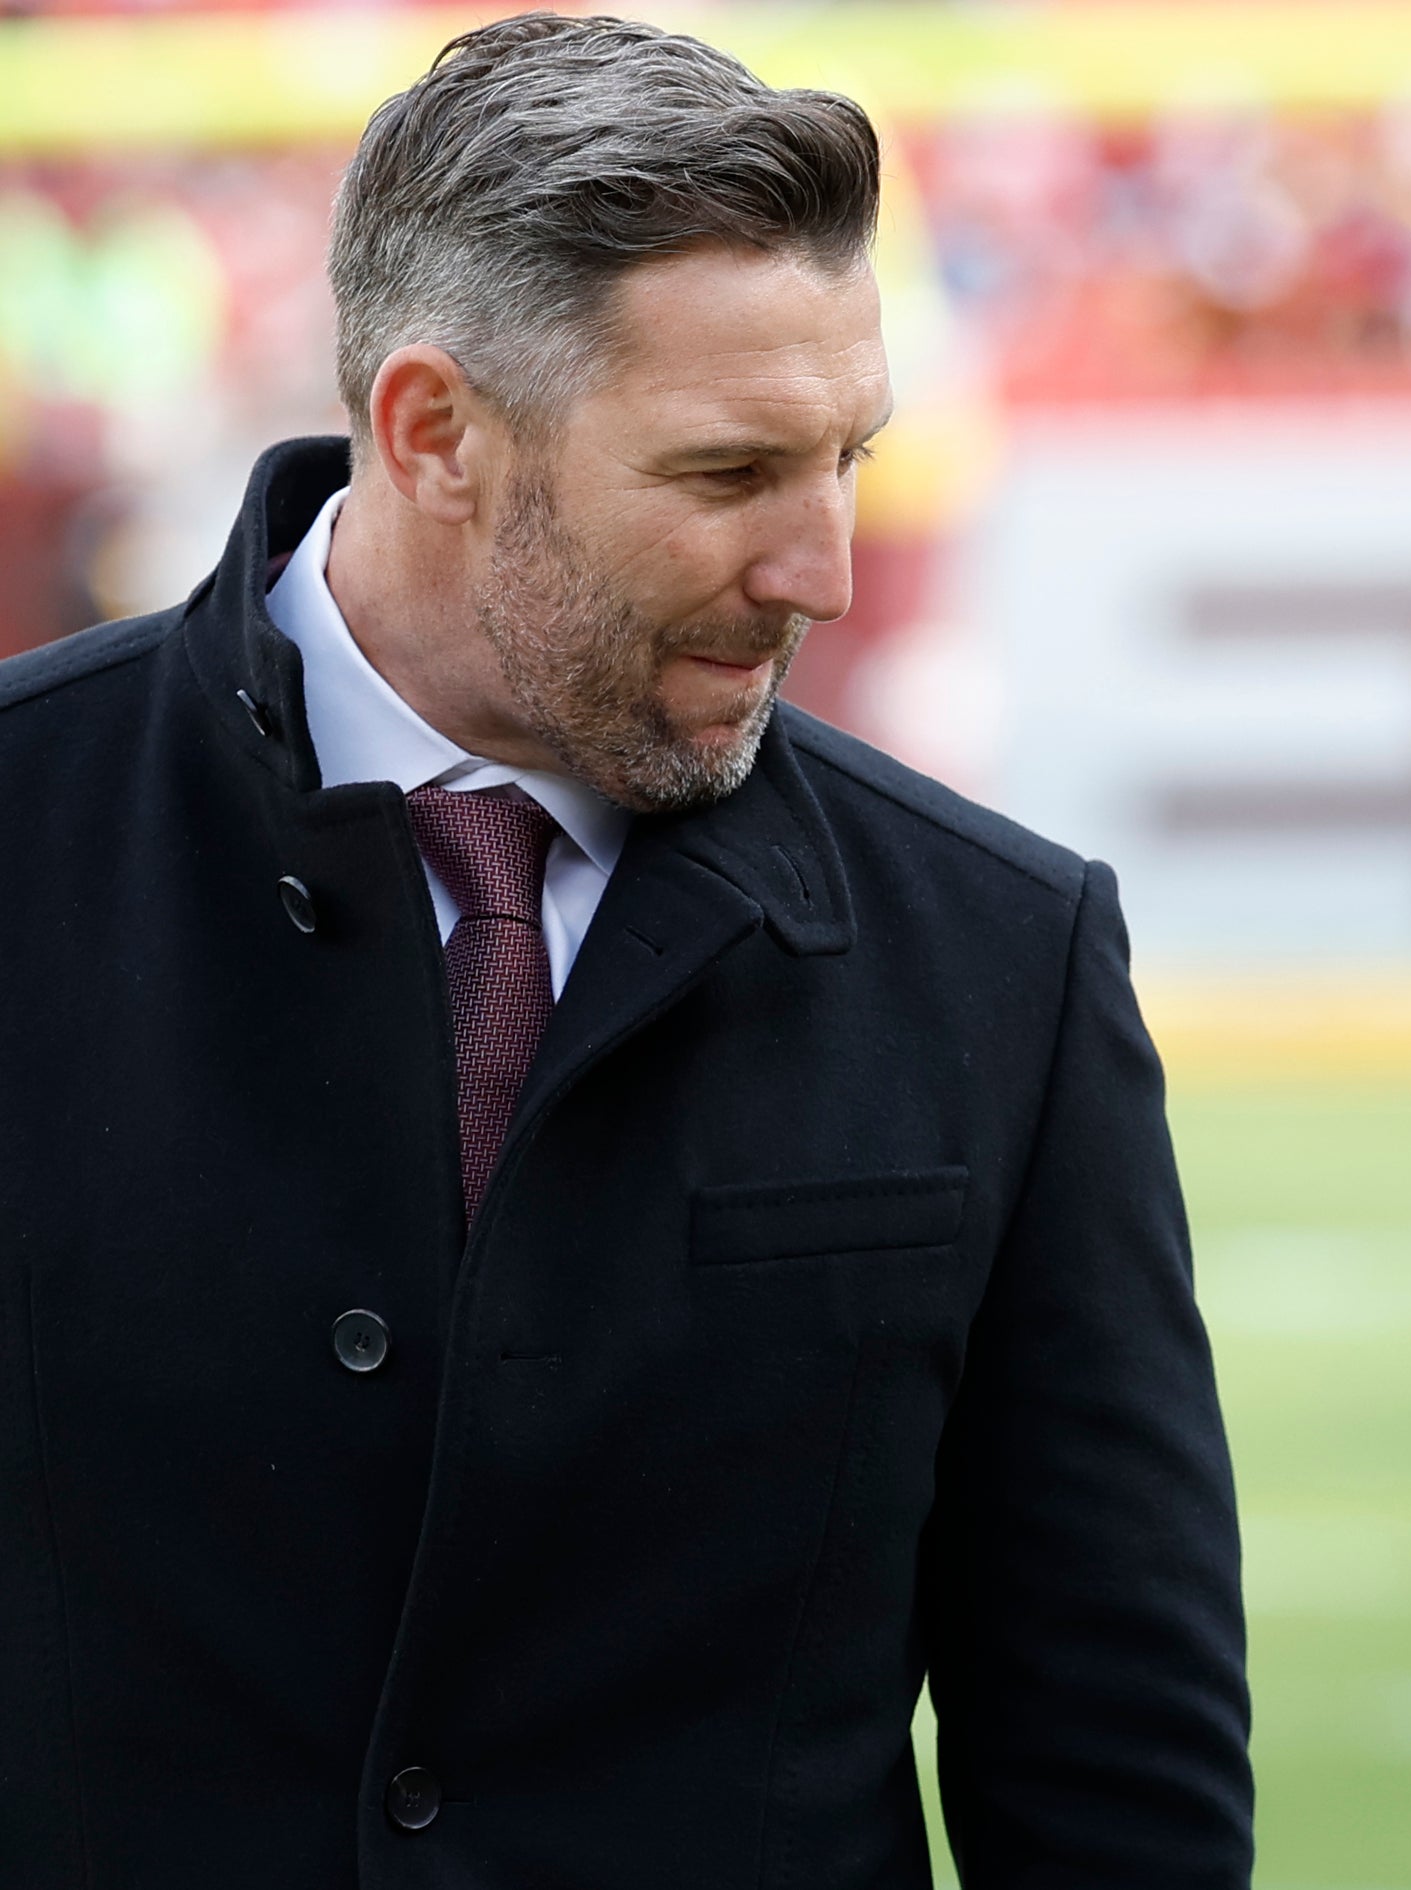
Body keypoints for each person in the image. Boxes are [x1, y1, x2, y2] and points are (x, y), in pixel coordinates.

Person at [0, 17, 1250, 1887]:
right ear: (433, 433)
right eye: (732, 471)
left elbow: (1114, 1779)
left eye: (847, 458)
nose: (822, 566)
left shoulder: (1002, 958)